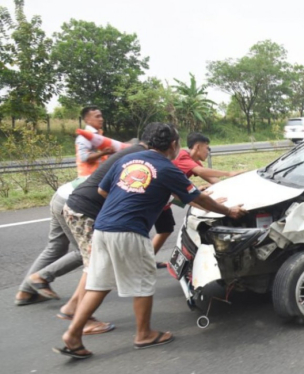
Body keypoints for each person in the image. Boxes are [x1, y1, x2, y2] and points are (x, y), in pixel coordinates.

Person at [55, 123, 247, 359]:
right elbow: (197, 198)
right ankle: (144, 334)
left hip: (102, 227)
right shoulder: (167, 168)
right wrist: (229, 211)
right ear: (174, 145)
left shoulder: (126, 161)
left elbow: (104, 192)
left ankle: (73, 335)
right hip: (129, 231)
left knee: (99, 284)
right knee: (144, 283)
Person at [59, 139, 151, 335]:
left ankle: (72, 308)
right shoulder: (140, 158)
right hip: (87, 210)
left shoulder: (133, 152)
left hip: (79, 206)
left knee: (93, 264)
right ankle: (81, 321)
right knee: (96, 267)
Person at [152, 132, 243, 254]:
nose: (208, 151)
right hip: (164, 196)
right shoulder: (183, 157)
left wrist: (235, 189)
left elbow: (214, 181)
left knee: (166, 229)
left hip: (169, 198)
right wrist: (228, 174)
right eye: (207, 148)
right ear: (198, 147)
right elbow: (188, 193)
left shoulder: (193, 162)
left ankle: (149, 259)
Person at [15, 178, 87, 305]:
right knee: (85, 251)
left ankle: (26, 292)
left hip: (61, 195)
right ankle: (42, 277)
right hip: (74, 200)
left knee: (56, 246)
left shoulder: (124, 161)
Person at [75, 106, 115, 177]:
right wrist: (103, 153)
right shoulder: (84, 137)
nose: (101, 119)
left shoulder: (99, 135)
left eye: (101, 116)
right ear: (87, 120)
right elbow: (84, 157)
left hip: (99, 177)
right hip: (88, 178)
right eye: (97, 117)